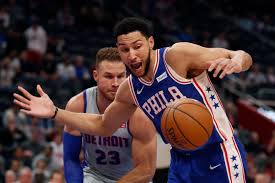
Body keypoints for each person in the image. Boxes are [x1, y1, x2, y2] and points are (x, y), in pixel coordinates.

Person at [14, 17, 253, 183]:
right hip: (180, 161)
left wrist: (236, 62)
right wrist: (55, 112)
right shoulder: (130, 90)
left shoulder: (177, 57)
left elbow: (242, 55)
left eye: (137, 46)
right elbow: (103, 125)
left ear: (150, 43)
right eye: (124, 50)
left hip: (218, 152)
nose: (132, 55)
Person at [63, 47, 156, 182]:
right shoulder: (78, 105)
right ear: (96, 75)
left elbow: (145, 170)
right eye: (108, 76)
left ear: (127, 76)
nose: (115, 83)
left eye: (120, 76)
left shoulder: (139, 112)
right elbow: (71, 158)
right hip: (95, 175)